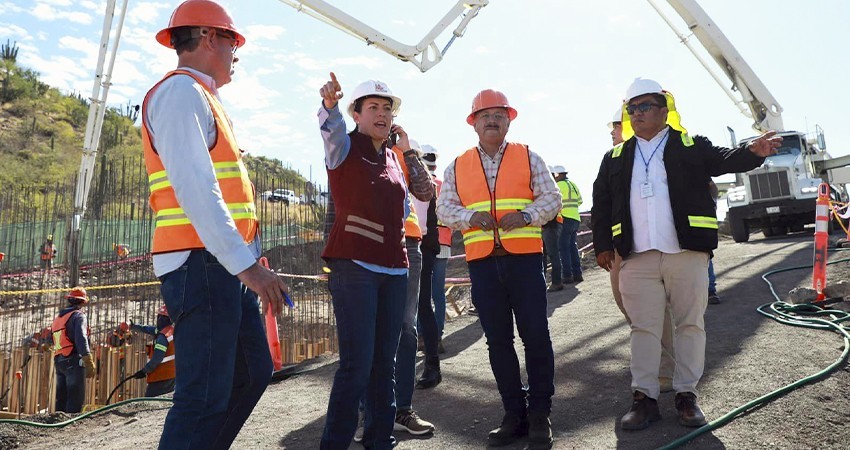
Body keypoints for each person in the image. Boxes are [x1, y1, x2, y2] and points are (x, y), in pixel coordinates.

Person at [591, 78, 780, 431]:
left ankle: (686, 396)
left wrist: (753, 152)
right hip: (636, 257)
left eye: (644, 106)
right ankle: (644, 398)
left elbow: (724, 158)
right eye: (631, 109)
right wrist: (604, 246)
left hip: (685, 254)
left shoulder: (690, 145)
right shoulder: (615, 157)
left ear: (664, 110)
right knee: (643, 329)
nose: (636, 114)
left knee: (690, 325)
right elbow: (601, 204)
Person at [142, 1, 288, 447]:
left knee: (251, 372)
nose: (235, 54)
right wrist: (247, 266)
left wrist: (247, 261)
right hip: (200, 264)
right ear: (207, 37)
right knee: (203, 395)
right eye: (231, 42)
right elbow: (195, 189)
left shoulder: (204, 99)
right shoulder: (180, 94)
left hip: (220, 263)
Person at [437, 89, 560, 449]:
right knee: (498, 342)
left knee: (536, 336)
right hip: (483, 266)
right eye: (485, 115)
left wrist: (526, 215)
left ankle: (539, 414)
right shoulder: (457, 165)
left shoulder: (528, 156)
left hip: (523, 261)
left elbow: (551, 199)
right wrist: (468, 217)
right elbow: (444, 209)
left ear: (509, 120)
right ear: (473, 122)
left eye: (499, 115)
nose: (492, 120)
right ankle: (513, 413)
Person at [317, 73, 422, 449]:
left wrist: (409, 152)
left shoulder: (394, 159)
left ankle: (380, 440)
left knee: (384, 365)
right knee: (356, 365)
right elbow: (330, 129)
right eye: (373, 107)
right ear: (357, 115)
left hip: (394, 268)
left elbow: (412, 200)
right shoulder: (344, 147)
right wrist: (329, 106)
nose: (382, 114)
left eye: (387, 108)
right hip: (354, 267)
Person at [606, 106, 677, 394]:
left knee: (657, 311)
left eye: (615, 126)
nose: (612, 132)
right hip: (622, 245)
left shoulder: (665, 154)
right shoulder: (615, 160)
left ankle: (667, 371)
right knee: (628, 305)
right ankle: (653, 364)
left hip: (651, 246)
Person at [412, 143, 443, 390]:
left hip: (419, 246)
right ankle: (431, 364)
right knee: (420, 306)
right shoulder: (425, 177)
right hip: (425, 246)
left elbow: (420, 222)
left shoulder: (420, 179)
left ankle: (432, 365)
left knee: (421, 305)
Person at [422, 146, 451, 353]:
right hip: (445, 242)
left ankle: (424, 336)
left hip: (425, 242)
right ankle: (438, 335)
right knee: (438, 292)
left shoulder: (419, 183)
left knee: (421, 293)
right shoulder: (444, 185)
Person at [51, 287, 95, 413]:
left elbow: (51, 338)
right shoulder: (78, 316)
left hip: (59, 360)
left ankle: (57, 425)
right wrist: (87, 358)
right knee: (74, 398)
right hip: (73, 360)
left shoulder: (58, 318)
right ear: (82, 302)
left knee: (61, 398)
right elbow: (81, 337)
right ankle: (70, 429)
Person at [128, 305, 176, 397]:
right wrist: (134, 326)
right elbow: (148, 329)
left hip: (160, 376)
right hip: (172, 375)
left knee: (149, 402)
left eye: (159, 317)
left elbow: (156, 359)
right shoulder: (171, 331)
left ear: (162, 318)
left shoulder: (163, 337)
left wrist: (144, 371)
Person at [553, 166, 583, 284]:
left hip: (565, 218)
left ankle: (567, 275)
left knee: (564, 248)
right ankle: (578, 274)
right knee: (572, 247)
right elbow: (580, 201)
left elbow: (555, 202)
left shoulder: (559, 186)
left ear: (558, 175)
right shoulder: (573, 185)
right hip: (575, 218)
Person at [541, 166, 564, 292]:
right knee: (549, 255)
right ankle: (551, 282)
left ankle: (556, 282)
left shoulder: (548, 189)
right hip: (553, 225)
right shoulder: (554, 187)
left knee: (551, 255)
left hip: (550, 226)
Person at [707, 180, 721, 304]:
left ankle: (710, 290)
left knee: (705, 255)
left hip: (701, 223)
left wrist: (713, 203)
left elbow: (713, 187)